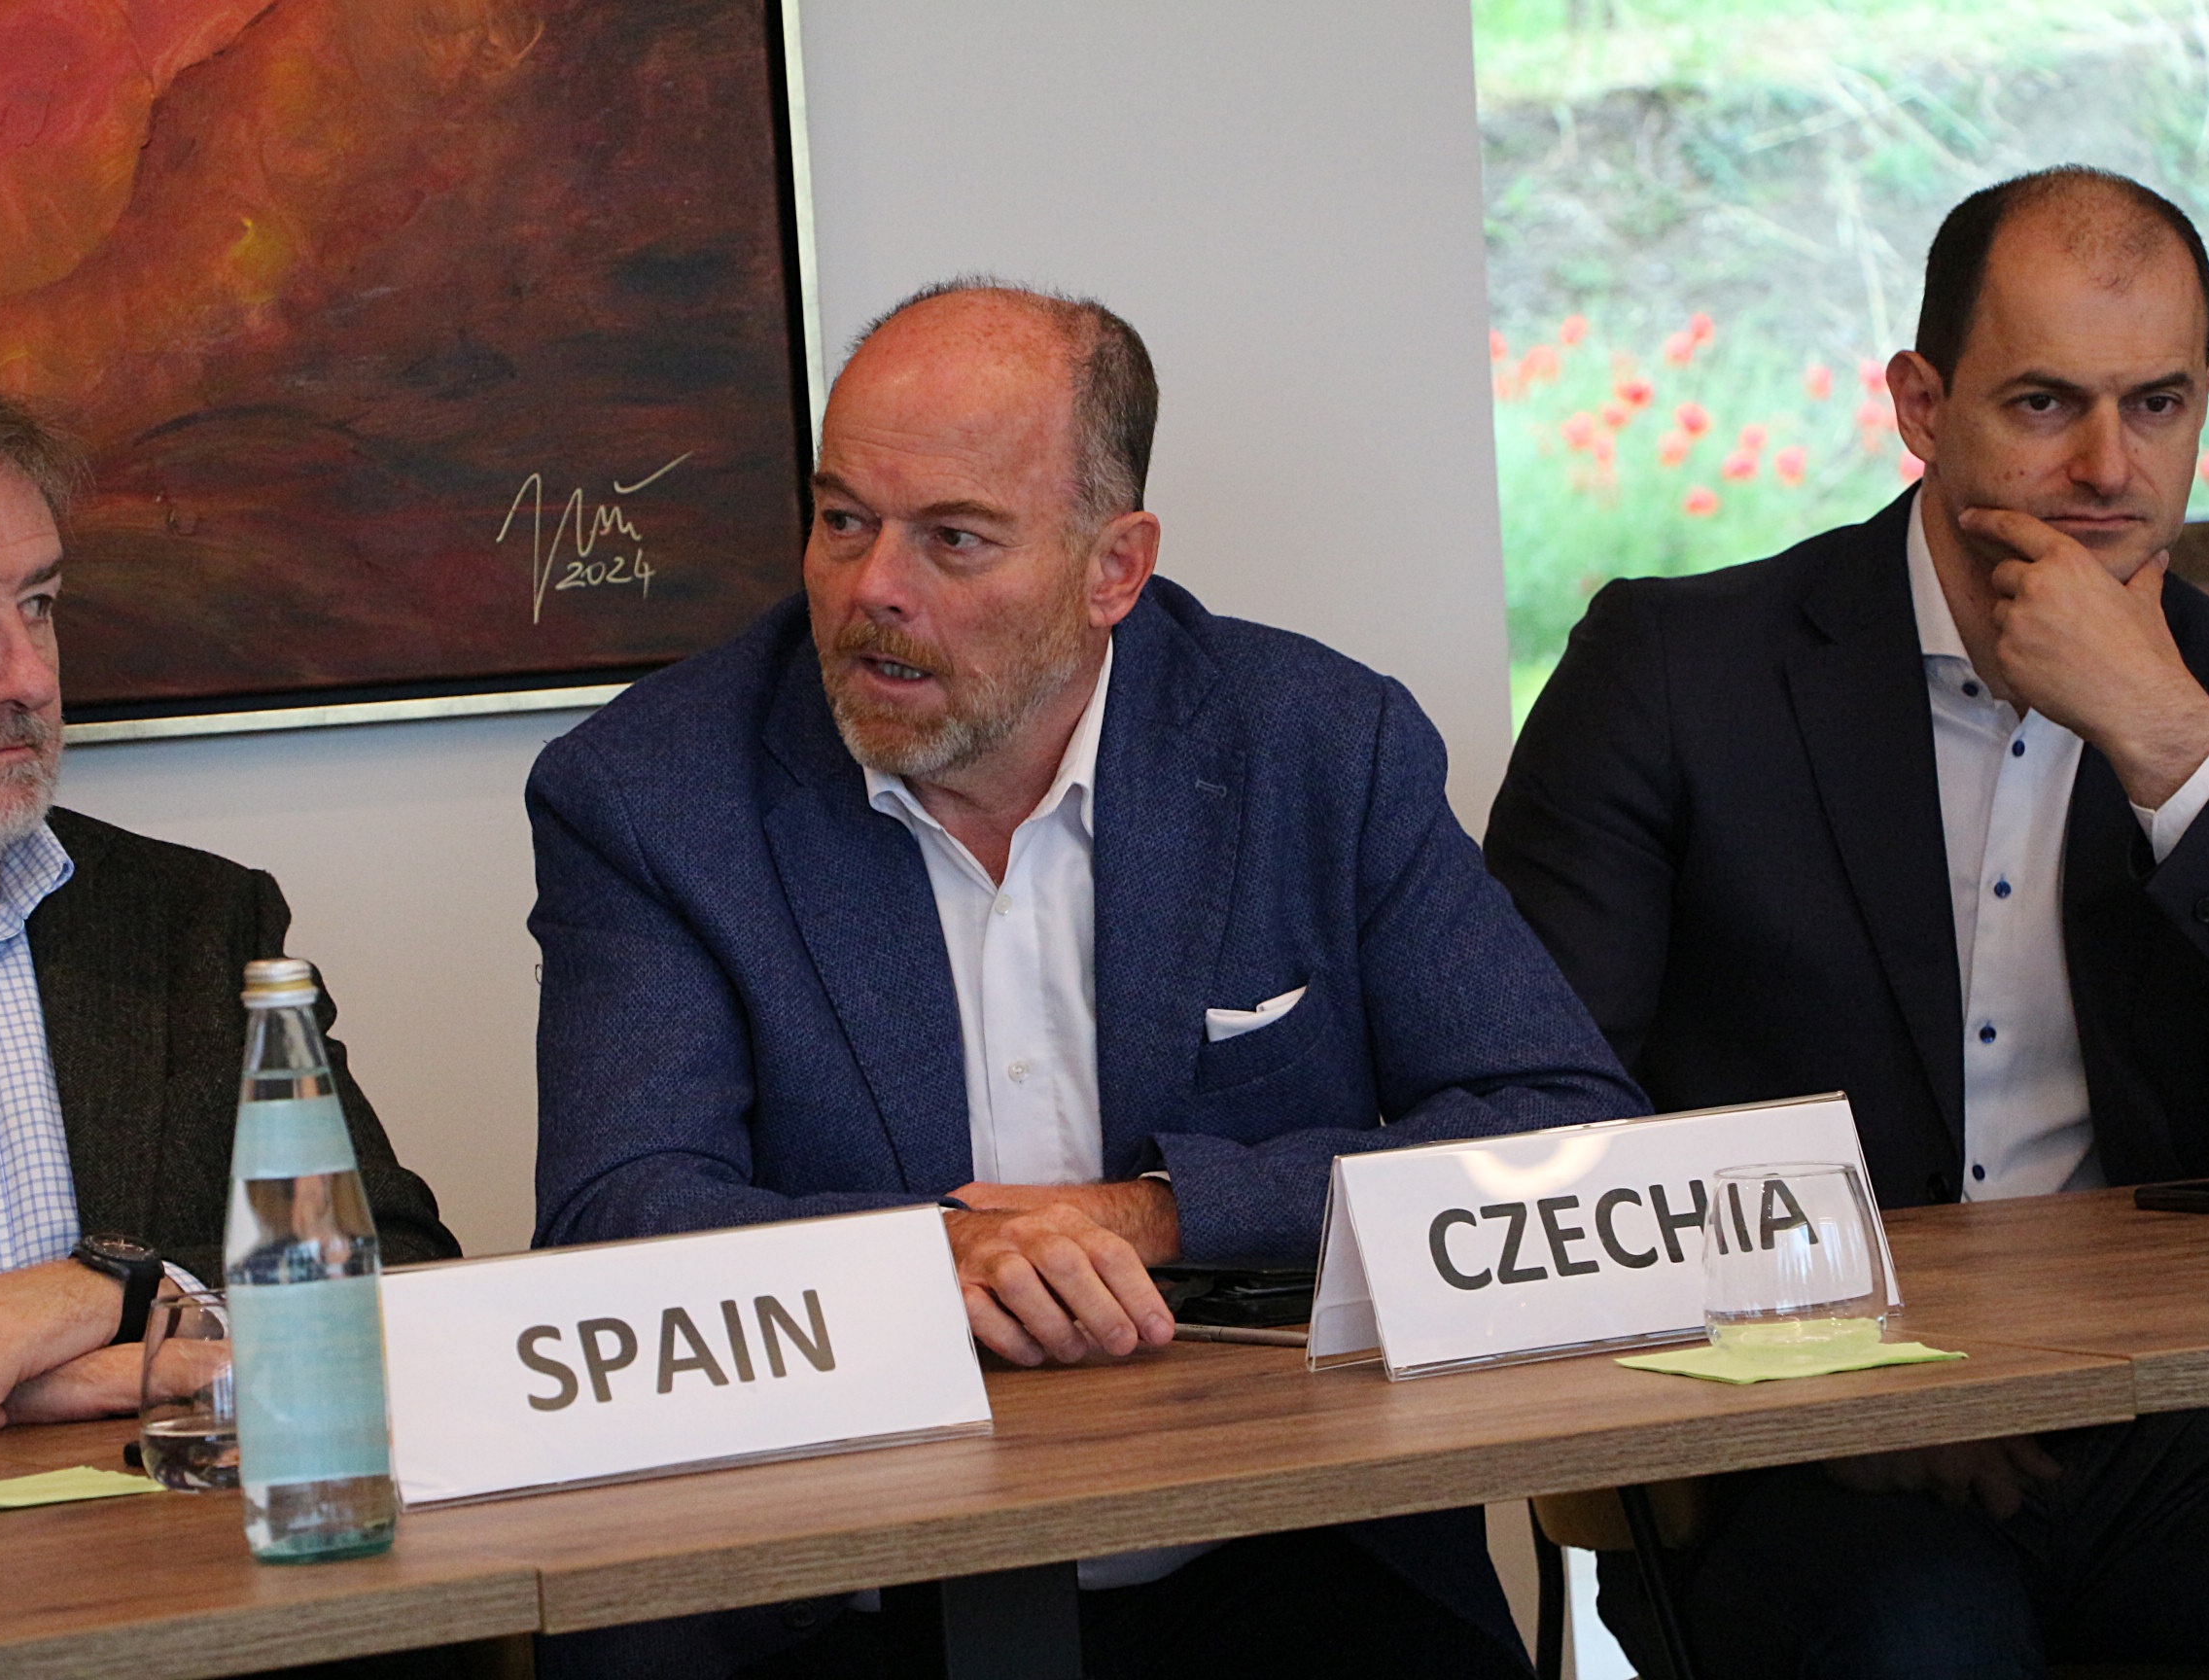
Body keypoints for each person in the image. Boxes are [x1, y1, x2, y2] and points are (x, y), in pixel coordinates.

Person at [524, 280, 1645, 1678]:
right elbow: (617, 1219)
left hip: (1272, 1556)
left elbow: (1565, 1139)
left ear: (1115, 568)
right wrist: (938, 1252)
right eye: (843, 520)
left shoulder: (1315, 744)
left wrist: (1154, 1215)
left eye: (954, 539)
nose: (872, 589)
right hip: (829, 1591)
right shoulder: (650, 794)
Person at [1489, 165, 2209, 1676]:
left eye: (2158, 404)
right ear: (1920, 404)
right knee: (1920, 1636)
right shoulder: (1673, 675)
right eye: (2044, 404)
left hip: (2163, 1424)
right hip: (1792, 1437)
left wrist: (2173, 753)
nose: (2109, 466)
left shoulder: (2202, 706)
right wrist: (1841, 1397)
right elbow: (1522, 1132)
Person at [0, 342, 459, 1448]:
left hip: (180, 1544)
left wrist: (113, 1291)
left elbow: (397, 1266)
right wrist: (14, 1390)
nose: (32, 678)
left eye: (39, 603)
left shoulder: (195, 924)